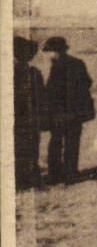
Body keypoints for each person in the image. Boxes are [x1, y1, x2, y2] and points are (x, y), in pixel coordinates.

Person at [41, 36, 95, 184]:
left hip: (59, 111)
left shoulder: (56, 67)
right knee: (73, 141)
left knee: (56, 142)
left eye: (49, 52)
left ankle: (55, 174)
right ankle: (71, 173)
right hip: (76, 111)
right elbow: (87, 82)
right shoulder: (78, 63)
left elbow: (51, 90)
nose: (48, 55)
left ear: (56, 52)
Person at [13, 36, 45, 190]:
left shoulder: (15, 72)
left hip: (19, 116)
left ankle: (22, 179)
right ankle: (31, 177)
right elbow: (41, 96)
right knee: (31, 147)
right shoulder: (34, 72)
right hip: (30, 116)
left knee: (19, 147)